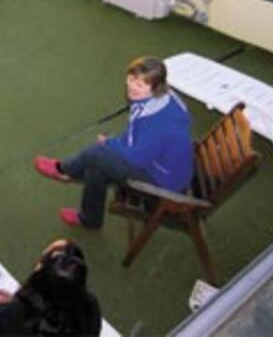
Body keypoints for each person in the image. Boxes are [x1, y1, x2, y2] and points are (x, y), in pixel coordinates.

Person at [34, 56, 193, 229]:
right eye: (131, 79)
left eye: (140, 85)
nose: (132, 87)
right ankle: (90, 219)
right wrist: (116, 143)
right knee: (97, 163)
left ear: (155, 88)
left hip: (162, 184)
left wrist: (110, 143)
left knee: (97, 154)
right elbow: (135, 135)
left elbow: (137, 159)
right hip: (164, 167)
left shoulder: (156, 121)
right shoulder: (161, 99)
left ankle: (63, 170)